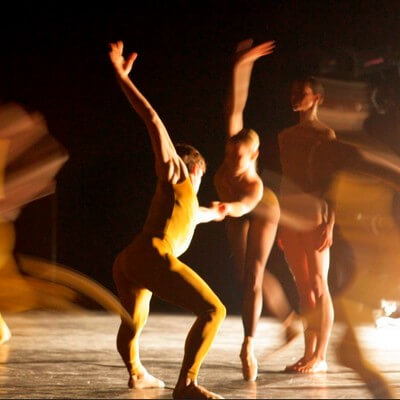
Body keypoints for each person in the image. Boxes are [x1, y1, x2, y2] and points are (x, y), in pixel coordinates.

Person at [109, 41, 229, 399]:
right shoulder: (176, 173)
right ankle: (187, 383)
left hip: (131, 259)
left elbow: (205, 215)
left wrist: (225, 211)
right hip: (152, 255)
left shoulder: (188, 205)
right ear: (195, 170)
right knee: (214, 310)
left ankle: (136, 373)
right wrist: (121, 77)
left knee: (133, 323)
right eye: (202, 178)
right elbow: (152, 118)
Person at [214, 38, 298, 382]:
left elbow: (245, 204)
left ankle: (248, 344)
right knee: (244, 274)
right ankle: (290, 321)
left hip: (261, 209)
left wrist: (226, 206)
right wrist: (240, 65)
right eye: (230, 155)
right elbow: (235, 107)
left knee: (253, 277)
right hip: (234, 210)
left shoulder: (253, 185)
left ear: (253, 157)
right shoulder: (235, 145)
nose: (232, 162)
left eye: (239, 158)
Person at [277, 77, 336, 373]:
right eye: (293, 92)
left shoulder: (325, 134)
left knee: (318, 284)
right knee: (303, 288)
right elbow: (287, 178)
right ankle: (308, 352)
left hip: (314, 213)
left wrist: (331, 222)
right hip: (290, 213)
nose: (295, 97)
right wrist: (279, 221)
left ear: (317, 99)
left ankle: (320, 356)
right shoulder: (285, 135)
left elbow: (332, 182)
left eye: (302, 93)